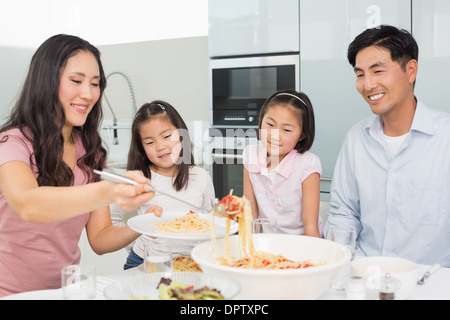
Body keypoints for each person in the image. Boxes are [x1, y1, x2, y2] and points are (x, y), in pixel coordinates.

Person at [0, 34, 154, 297]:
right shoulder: (12, 143)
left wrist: (145, 225)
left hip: (67, 292)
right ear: (46, 81)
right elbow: (28, 204)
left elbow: (100, 238)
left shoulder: (91, 154)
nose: (89, 93)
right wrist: (109, 190)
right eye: (76, 81)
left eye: (95, 84)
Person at [324, 25, 450, 267]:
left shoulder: (445, 138)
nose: (368, 84)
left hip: (431, 284)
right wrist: (341, 267)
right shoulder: (356, 138)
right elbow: (343, 213)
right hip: (365, 276)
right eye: (360, 74)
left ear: (410, 70)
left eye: (378, 71)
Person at [110, 101, 215, 269]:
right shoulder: (139, 180)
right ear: (141, 148)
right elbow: (113, 218)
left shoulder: (201, 177)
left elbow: (211, 221)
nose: (160, 147)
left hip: (191, 262)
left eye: (167, 137)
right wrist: (138, 244)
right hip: (146, 260)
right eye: (149, 142)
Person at [243, 89, 322, 237]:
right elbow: (249, 217)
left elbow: (311, 228)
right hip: (265, 245)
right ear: (261, 120)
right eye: (270, 124)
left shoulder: (307, 164)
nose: (275, 135)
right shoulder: (250, 155)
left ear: (302, 135)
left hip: (300, 246)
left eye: (286, 130)